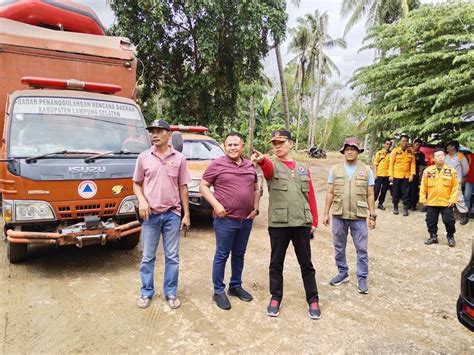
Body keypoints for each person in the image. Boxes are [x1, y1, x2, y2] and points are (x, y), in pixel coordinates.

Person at [252, 130, 321, 320]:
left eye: (281, 142)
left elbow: (311, 195)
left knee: (306, 263)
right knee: (276, 263)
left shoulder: (301, 168)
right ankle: (275, 297)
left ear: (290, 143)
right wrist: (262, 159)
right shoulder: (271, 165)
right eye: (274, 143)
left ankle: (313, 299)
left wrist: (314, 220)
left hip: (301, 223)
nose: (277, 146)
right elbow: (266, 168)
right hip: (279, 223)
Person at [133, 119, 191, 309]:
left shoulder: (179, 159)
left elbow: (183, 187)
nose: (154, 135)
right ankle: (146, 291)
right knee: (148, 256)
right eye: (152, 132)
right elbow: (136, 183)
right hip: (150, 215)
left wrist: (186, 214)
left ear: (169, 134)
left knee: (172, 257)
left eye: (159, 131)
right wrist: (142, 200)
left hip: (172, 214)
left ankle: (171, 292)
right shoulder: (143, 157)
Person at [200, 132, 260, 310]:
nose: (233, 148)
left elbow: (256, 188)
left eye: (236, 144)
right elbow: (203, 185)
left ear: (242, 146)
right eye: (229, 145)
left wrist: (256, 208)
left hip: (246, 220)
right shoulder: (216, 164)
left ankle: (235, 286)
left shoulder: (250, 165)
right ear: (224, 147)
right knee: (222, 255)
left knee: (239, 254)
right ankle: (218, 291)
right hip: (225, 219)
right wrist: (216, 205)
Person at [323, 137, 376, 294]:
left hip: (359, 217)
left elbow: (370, 195)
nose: (350, 151)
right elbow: (330, 192)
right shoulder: (335, 170)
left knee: (362, 249)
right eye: (347, 149)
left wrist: (372, 216)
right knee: (339, 246)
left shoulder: (366, 170)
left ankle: (362, 277)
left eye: (353, 149)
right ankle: (342, 272)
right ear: (343, 152)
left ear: (358, 151)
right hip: (339, 215)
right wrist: (326, 213)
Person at [420, 148, 458, 247]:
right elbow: (423, 185)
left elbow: (455, 187)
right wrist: (423, 199)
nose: (440, 157)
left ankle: (450, 236)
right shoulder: (428, 171)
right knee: (431, 220)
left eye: (442, 155)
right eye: (437, 156)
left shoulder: (451, 171)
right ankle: (433, 236)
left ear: (444, 157)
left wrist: (453, 199)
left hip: (446, 202)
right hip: (432, 201)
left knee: (449, 221)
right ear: (433, 158)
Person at [389, 135, 415, 216]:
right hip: (396, 175)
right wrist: (390, 175)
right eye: (403, 141)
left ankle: (405, 208)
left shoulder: (411, 151)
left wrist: (412, 175)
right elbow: (391, 164)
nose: (405, 143)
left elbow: (413, 164)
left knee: (406, 193)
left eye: (406, 141)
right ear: (400, 142)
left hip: (406, 176)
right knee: (395, 193)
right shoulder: (395, 151)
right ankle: (395, 207)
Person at [445, 140, 469, 225]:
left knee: (459, 198)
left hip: (456, 181)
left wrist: (459, 176)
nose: (447, 147)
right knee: (448, 197)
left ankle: (464, 215)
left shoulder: (461, 156)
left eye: (448, 146)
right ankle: (450, 215)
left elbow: (466, 169)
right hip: (446, 180)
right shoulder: (446, 156)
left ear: (453, 147)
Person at [373, 138, 392, 210]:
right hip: (379, 174)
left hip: (387, 175)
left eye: (390, 144)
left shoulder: (391, 154)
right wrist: (375, 174)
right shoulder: (379, 153)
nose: (388, 145)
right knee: (376, 190)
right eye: (387, 144)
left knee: (384, 190)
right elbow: (375, 164)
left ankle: (380, 203)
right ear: (383, 144)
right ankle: (372, 203)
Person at [409, 139, 426, 211]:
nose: (418, 146)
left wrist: (420, 176)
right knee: (407, 190)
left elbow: (421, 166)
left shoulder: (421, 154)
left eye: (419, 145)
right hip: (406, 173)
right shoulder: (409, 152)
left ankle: (413, 205)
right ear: (413, 144)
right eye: (416, 144)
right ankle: (407, 204)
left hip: (415, 174)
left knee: (414, 190)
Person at [464, 152, 474, 217]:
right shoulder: (469, 156)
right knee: (466, 196)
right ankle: (465, 212)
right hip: (469, 178)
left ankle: (473, 211)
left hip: (469, 178)